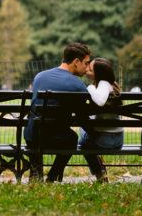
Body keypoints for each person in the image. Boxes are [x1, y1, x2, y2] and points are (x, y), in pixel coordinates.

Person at [24, 42, 92, 182]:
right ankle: (52, 177)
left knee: (37, 129)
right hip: (55, 138)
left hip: (32, 136)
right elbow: (82, 118)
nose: (87, 68)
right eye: (86, 63)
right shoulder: (77, 85)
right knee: (71, 138)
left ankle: (36, 173)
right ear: (76, 62)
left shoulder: (40, 76)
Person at [79, 58, 123, 183]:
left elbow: (100, 101)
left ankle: (99, 173)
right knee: (86, 132)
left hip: (106, 141)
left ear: (98, 74)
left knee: (82, 139)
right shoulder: (110, 85)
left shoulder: (103, 84)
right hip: (118, 140)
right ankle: (100, 169)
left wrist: (90, 88)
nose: (87, 68)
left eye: (90, 68)